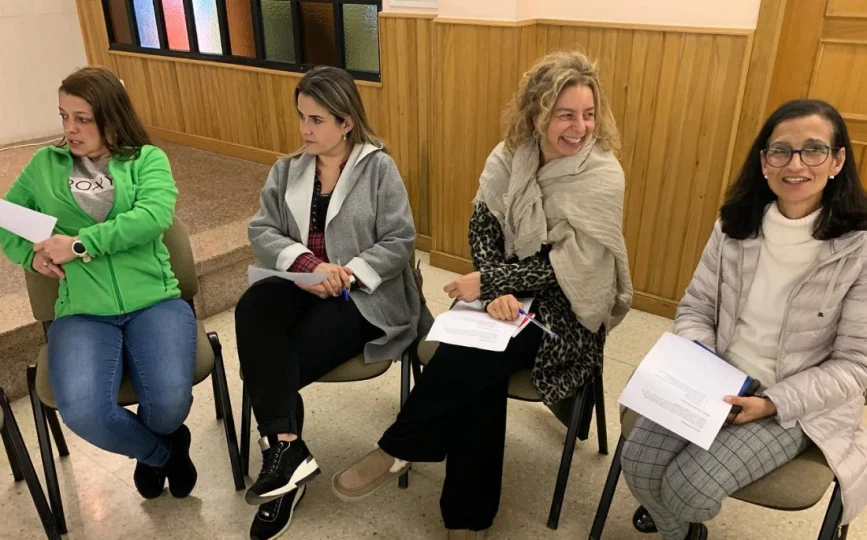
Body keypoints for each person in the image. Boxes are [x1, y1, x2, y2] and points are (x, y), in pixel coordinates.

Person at [332, 51, 633, 538]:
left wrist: (492, 283)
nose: (580, 128)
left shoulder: (602, 174)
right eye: (566, 114)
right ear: (537, 117)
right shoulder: (509, 156)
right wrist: (495, 288)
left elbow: (575, 270)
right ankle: (467, 518)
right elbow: (483, 227)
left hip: (569, 310)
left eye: (589, 114)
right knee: (481, 367)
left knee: (476, 357)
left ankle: (401, 447)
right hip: (505, 289)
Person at [620, 99, 867, 540]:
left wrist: (771, 402)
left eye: (813, 150)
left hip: (793, 405)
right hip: (717, 379)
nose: (795, 164)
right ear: (764, 162)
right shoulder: (734, 226)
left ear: (837, 161)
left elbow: (855, 365)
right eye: (781, 151)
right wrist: (702, 367)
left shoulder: (859, 247)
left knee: (689, 489)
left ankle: (674, 522)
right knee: (637, 463)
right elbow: (696, 308)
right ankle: (681, 533)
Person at [235, 66, 427, 540]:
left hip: (363, 296)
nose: (305, 129)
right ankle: (288, 452)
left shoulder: (378, 169)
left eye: (317, 120)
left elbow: (400, 239)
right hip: (301, 282)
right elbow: (262, 230)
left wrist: (346, 273)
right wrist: (307, 265)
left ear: (346, 122)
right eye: (302, 117)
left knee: (273, 365)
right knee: (252, 306)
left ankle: (283, 471)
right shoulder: (287, 170)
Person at [0, 67, 198, 500]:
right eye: (63, 116)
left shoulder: (146, 159)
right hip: (83, 312)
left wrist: (78, 245)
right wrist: (30, 255)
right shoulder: (45, 165)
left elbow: (152, 218)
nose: (69, 128)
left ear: (111, 117)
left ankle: (159, 439)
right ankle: (161, 454)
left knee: (169, 406)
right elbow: (6, 218)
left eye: (82, 118)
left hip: (154, 300)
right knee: (84, 412)